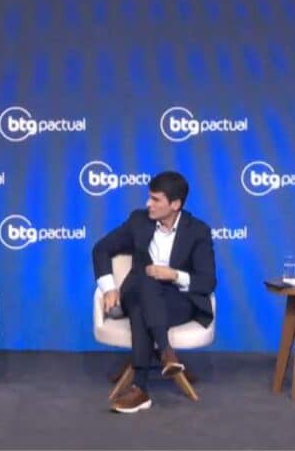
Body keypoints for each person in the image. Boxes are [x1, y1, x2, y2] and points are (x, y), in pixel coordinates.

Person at [92, 171, 216, 413]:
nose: (148, 203)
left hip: (177, 301)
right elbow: (101, 249)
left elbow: (207, 281)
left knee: (142, 308)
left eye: (155, 199)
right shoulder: (139, 221)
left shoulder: (197, 231)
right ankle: (166, 352)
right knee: (145, 280)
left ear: (175, 204)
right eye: (149, 197)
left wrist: (173, 275)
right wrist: (108, 287)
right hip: (137, 291)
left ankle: (140, 388)